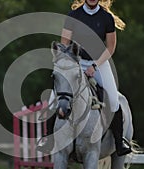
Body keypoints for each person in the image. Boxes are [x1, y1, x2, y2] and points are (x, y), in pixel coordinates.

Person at [37, 0, 132, 156]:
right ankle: (48, 139)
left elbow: (110, 47)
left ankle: (119, 141)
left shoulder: (106, 17)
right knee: (54, 99)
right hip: (76, 61)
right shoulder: (74, 15)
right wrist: (70, 64)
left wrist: (94, 66)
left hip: (99, 64)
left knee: (114, 100)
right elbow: (64, 44)